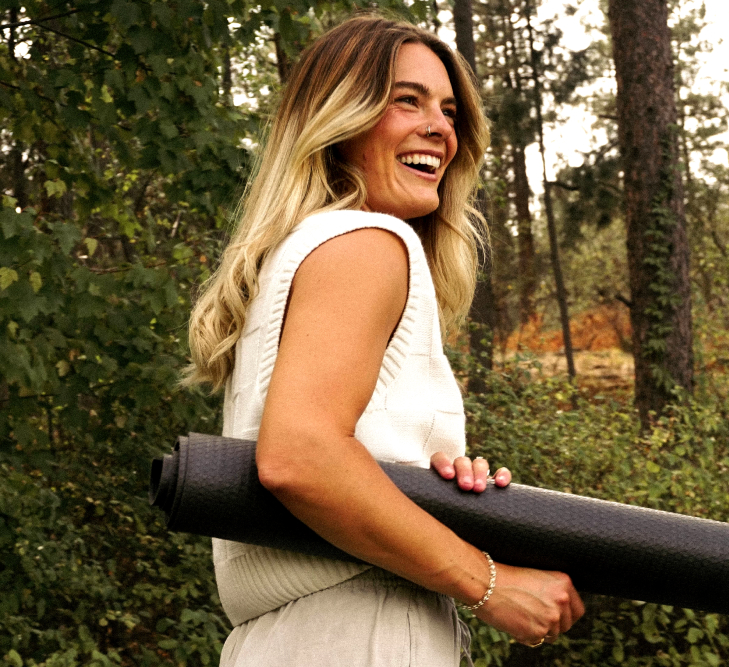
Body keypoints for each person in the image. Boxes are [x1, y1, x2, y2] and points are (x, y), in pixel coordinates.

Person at [185, 14, 584, 666]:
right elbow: (300, 456)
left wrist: (432, 490)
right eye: (407, 100)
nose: (440, 128)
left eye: (449, 110)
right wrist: (486, 581)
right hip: (359, 631)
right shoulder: (369, 243)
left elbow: (320, 454)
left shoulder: (304, 252)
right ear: (340, 121)